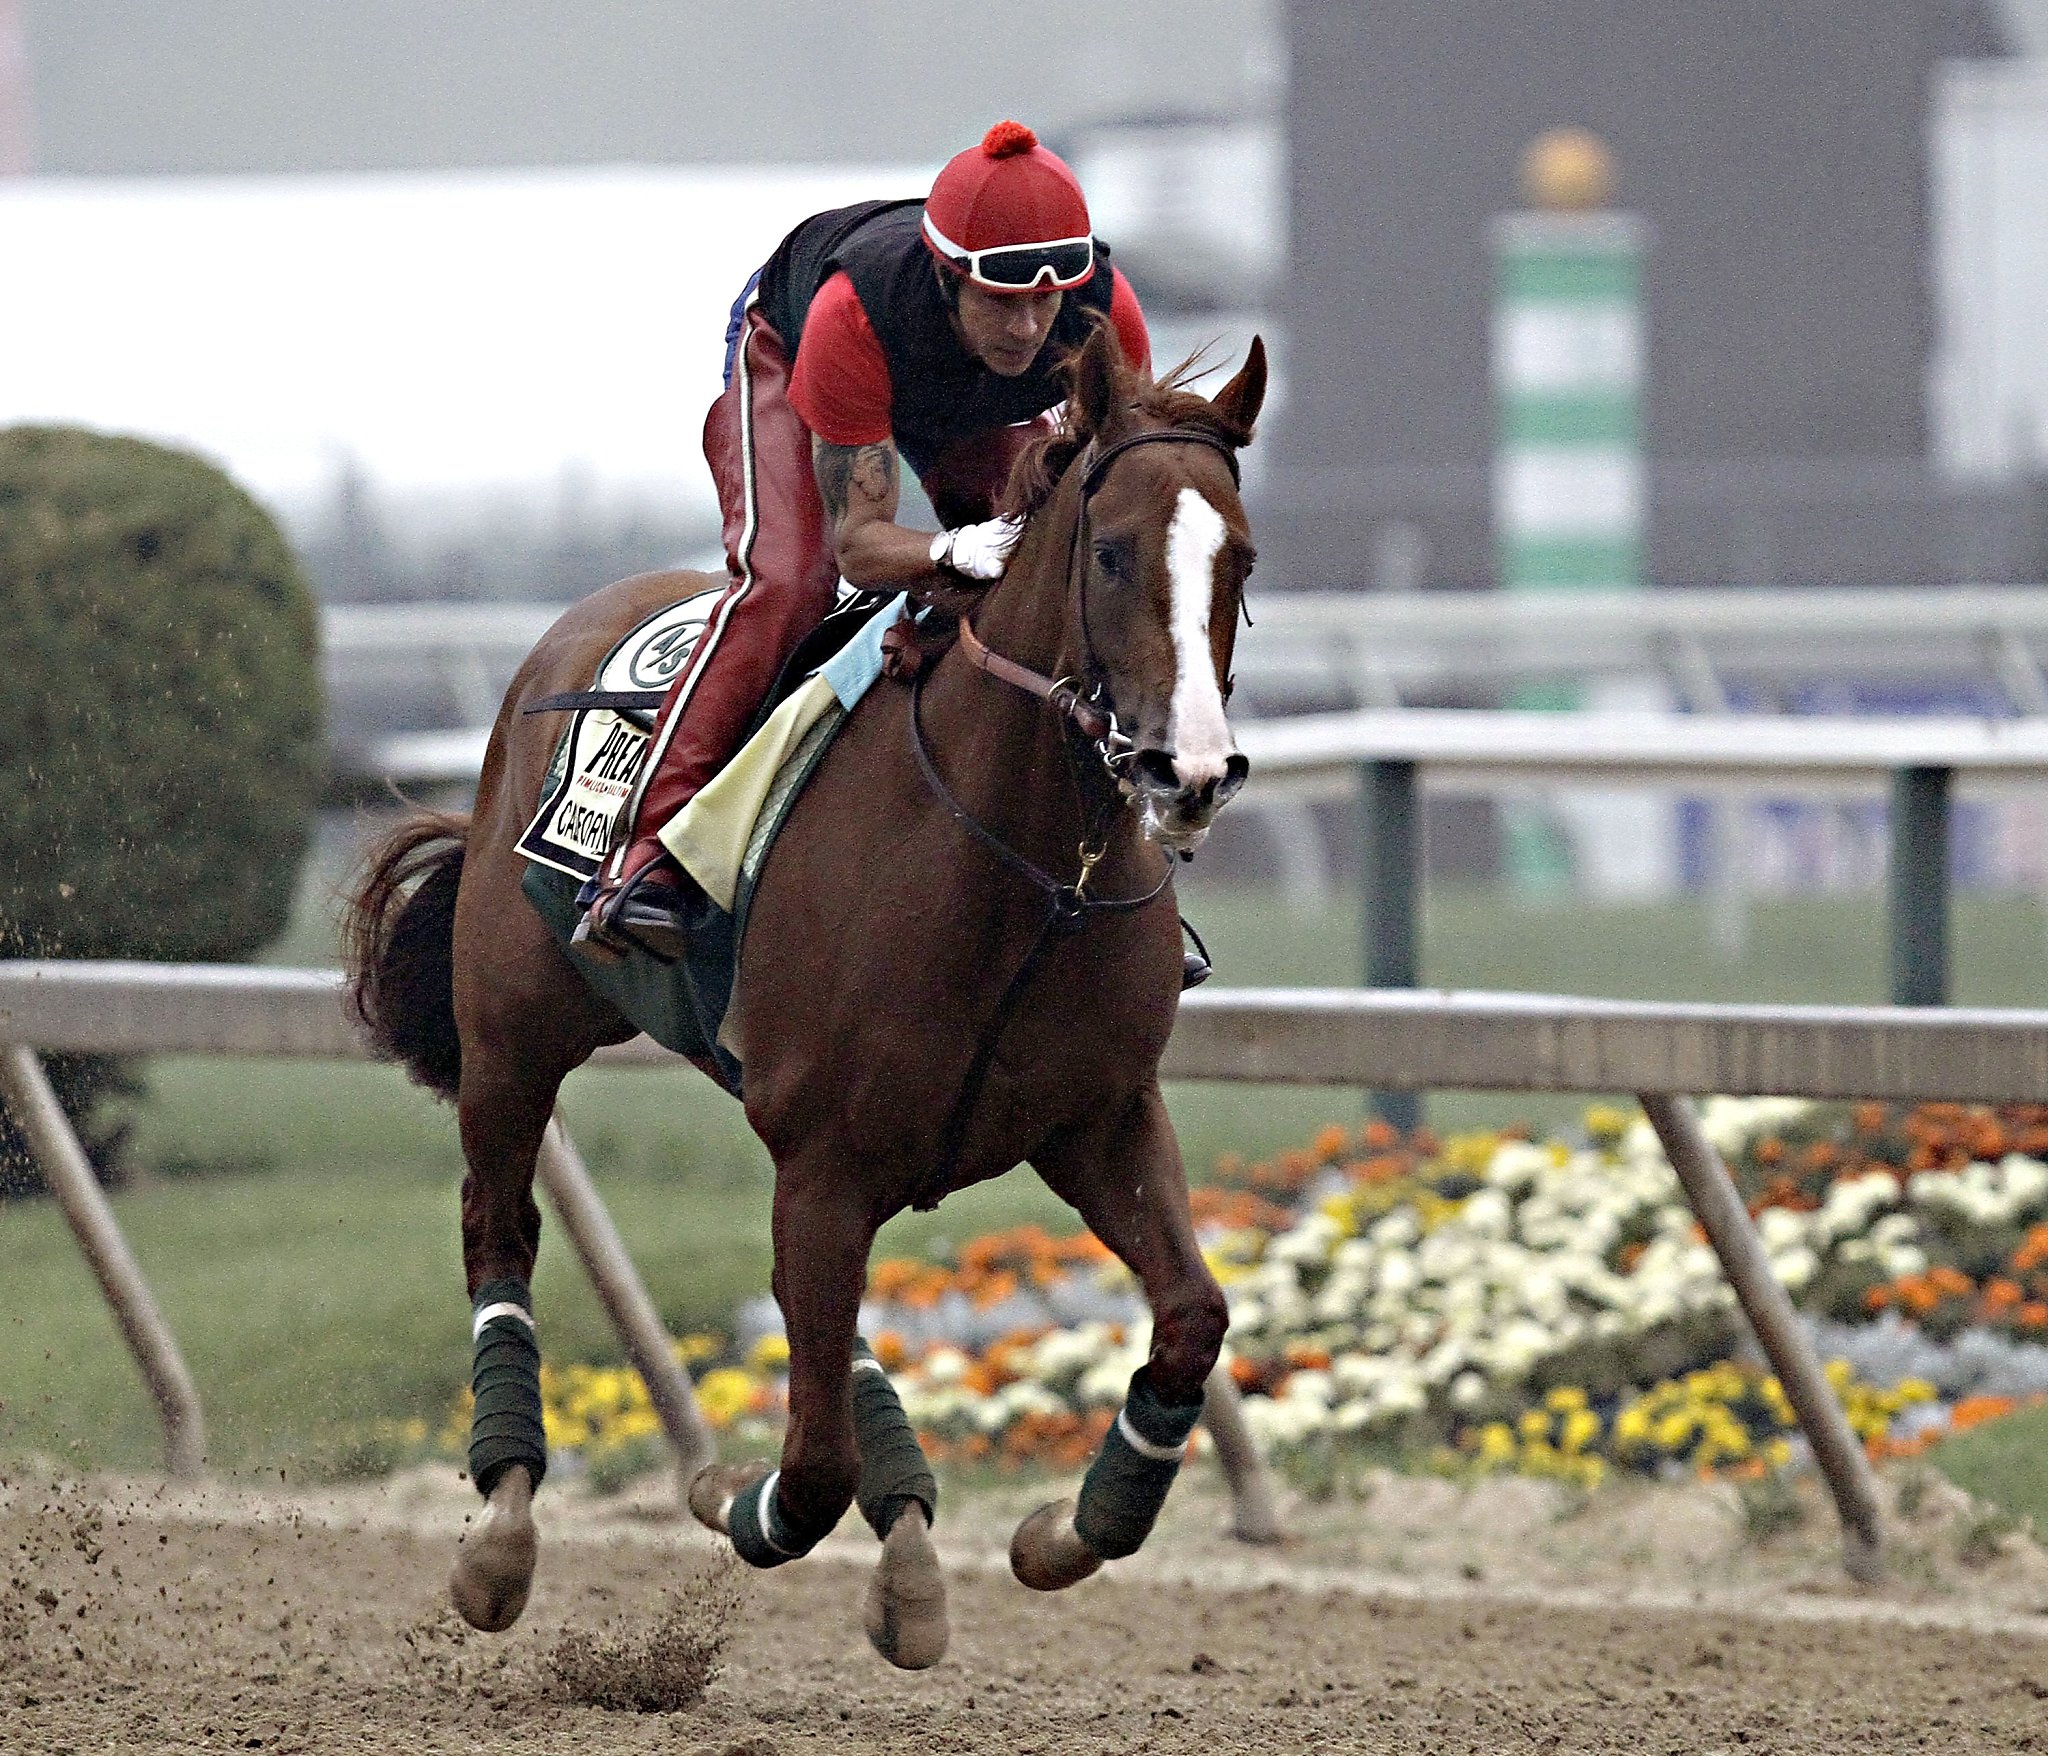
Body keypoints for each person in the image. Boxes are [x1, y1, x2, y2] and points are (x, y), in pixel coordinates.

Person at [576, 119, 1152, 962]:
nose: (1028, 329)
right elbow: (860, 547)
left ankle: (1107, 869)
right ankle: (646, 853)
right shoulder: (855, 315)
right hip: (796, 344)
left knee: (1052, 586)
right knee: (787, 585)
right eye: (1001, 299)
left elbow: (1121, 492)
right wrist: (951, 554)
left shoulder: (1107, 317)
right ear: (950, 280)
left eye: (1045, 299)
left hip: (959, 393)